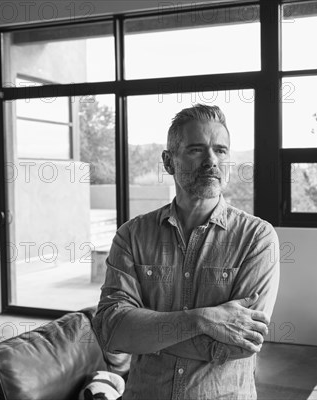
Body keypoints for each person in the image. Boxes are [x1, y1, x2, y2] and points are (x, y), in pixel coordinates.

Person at [93, 104, 280, 399]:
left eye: (221, 150)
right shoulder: (132, 236)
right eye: (196, 150)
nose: (211, 161)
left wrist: (146, 334)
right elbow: (112, 330)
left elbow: (239, 343)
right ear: (169, 161)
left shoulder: (257, 238)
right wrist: (203, 319)